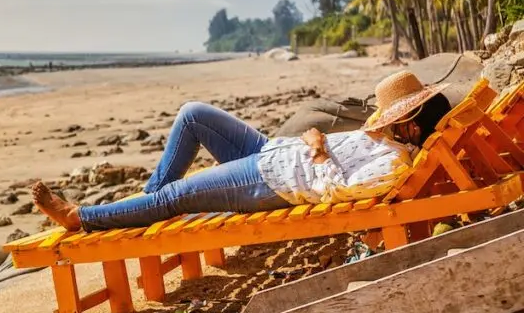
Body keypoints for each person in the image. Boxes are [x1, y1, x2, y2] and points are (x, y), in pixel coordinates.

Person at [32, 71, 452, 232]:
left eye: (393, 115)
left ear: (411, 123)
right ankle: (146, 201)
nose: (384, 119)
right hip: (271, 152)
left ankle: (79, 218)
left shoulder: (394, 163)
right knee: (193, 114)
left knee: (175, 198)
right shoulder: (390, 142)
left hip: (269, 182)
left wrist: (320, 148)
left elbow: (339, 191)